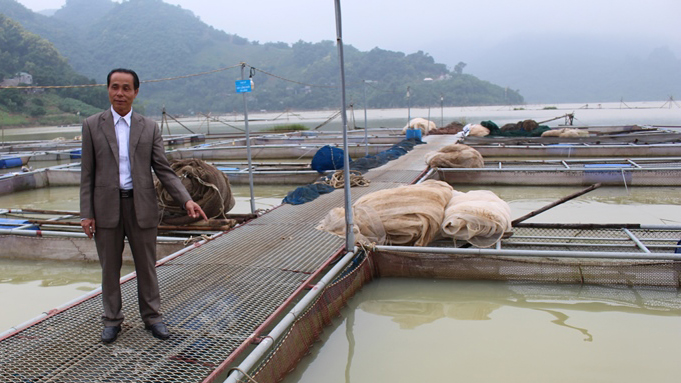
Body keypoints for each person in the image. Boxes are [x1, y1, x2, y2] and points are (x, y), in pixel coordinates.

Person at [80, 68, 207, 344]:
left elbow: (164, 170)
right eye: (115, 87)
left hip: (142, 207)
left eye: (126, 88)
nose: (120, 93)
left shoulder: (148, 127)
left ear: (136, 92)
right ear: (108, 90)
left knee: (147, 267)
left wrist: (186, 199)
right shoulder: (92, 125)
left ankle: (152, 318)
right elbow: (87, 173)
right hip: (106, 210)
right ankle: (112, 320)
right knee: (109, 269)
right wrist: (86, 214)